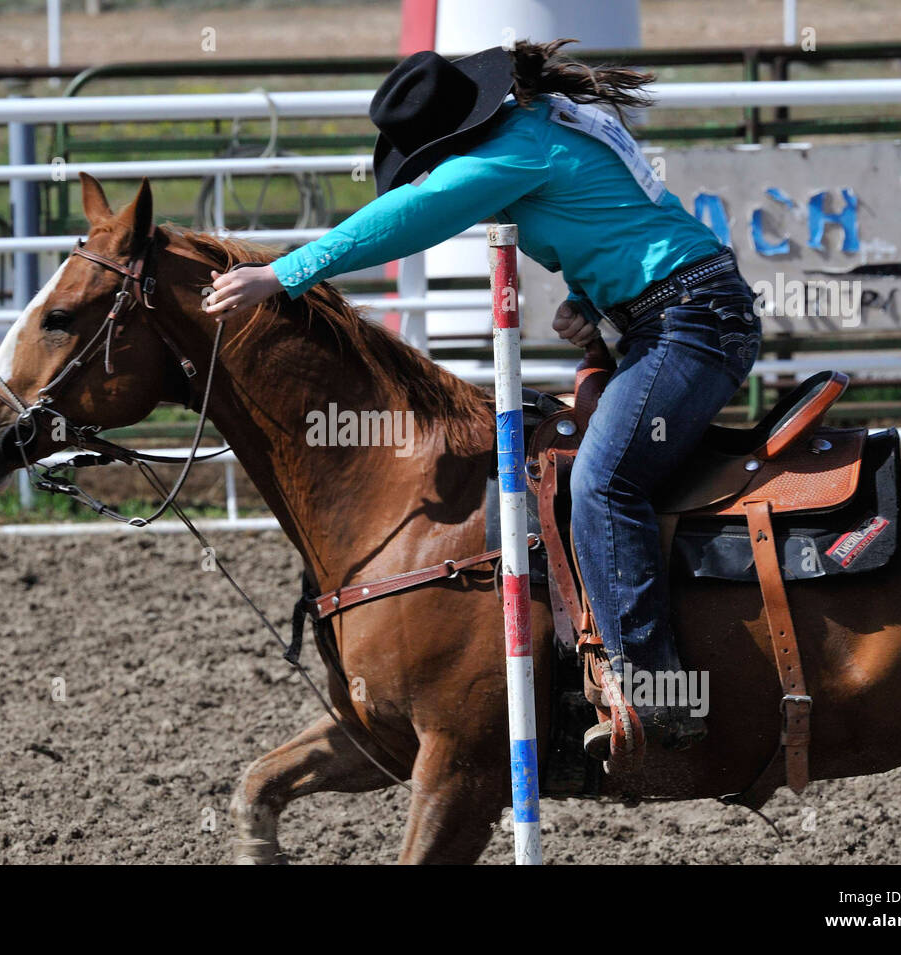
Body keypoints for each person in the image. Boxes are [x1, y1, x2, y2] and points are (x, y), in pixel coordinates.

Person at [201, 38, 761, 753]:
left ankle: (655, 693)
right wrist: (593, 300)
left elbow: (415, 213)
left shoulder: (514, 149)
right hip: (683, 312)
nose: (436, 170)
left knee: (604, 483)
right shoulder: (545, 123)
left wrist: (285, 274)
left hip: (687, 323)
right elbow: (634, 209)